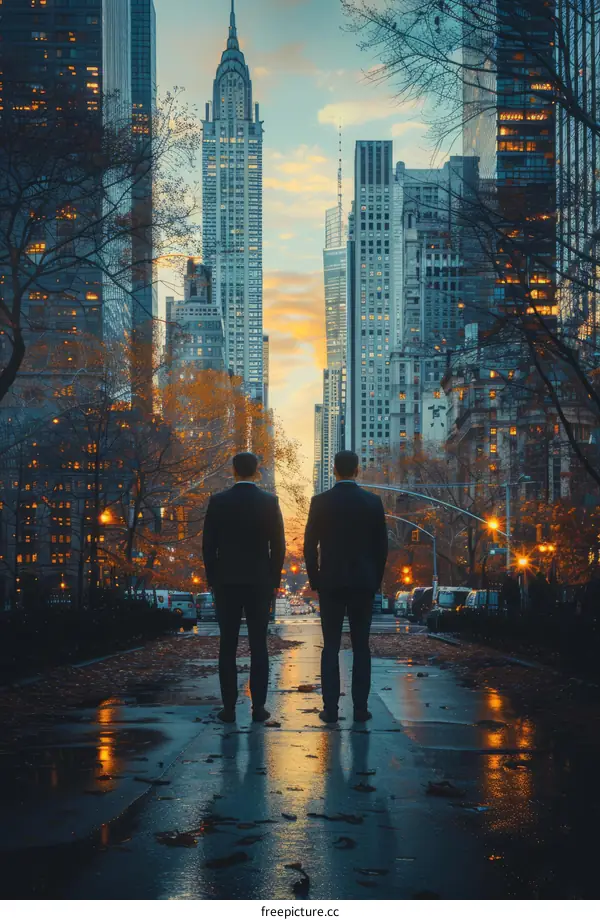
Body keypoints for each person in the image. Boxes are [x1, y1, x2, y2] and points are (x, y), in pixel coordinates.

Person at [303, 450, 388, 724]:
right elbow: (382, 547)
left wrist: (315, 578)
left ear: (334, 470)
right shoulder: (373, 502)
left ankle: (330, 709)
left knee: (331, 646)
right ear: (358, 470)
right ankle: (360, 709)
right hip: (363, 583)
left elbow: (308, 546)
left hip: (331, 583)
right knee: (362, 646)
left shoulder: (320, 502)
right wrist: (375, 579)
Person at [202, 452, 286, 723]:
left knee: (227, 645)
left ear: (234, 471)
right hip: (260, 582)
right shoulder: (269, 502)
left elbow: (208, 546)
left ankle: (228, 708)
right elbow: (279, 546)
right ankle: (258, 708)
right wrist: (273, 581)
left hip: (226, 582)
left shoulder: (218, 502)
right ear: (257, 471)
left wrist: (213, 579)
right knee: (259, 645)